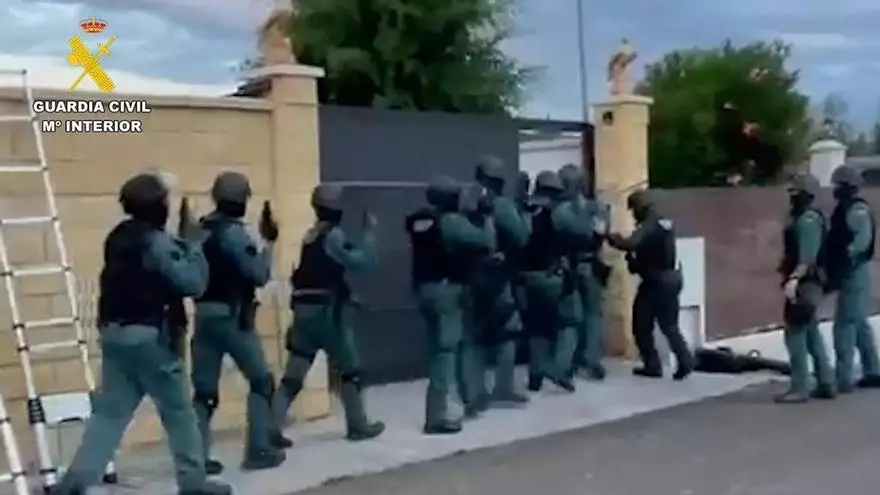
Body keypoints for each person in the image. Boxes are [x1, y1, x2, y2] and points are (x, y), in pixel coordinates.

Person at [52, 173, 230, 494]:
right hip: (152, 340)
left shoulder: (118, 237)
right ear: (158, 205)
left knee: (109, 417)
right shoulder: (157, 243)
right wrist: (193, 245)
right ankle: (194, 483)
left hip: (115, 335)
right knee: (179, 414)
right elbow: (193, 283)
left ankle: (73, 485)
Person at [191, 172, 286, 474]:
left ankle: (197, 458)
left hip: (203, 316)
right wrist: (269, 243)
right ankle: (258, 450)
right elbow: (259, 275)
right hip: (232, 317)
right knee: (261, 381)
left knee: (204, 392)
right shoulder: (234, 234)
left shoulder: (200, 231)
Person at [273, 184, 385, 441]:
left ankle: (271, 426)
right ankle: (358, 424)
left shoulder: (310, 236)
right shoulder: (333, 236)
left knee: (294, 375)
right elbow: (363, 263)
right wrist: (369, 234)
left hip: (304, 314)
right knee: (350, 371)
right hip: (329, 315)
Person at [406, 176, 495, 434]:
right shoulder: (452, 222)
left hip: (424, 290)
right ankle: (439, 416)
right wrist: (486, 216)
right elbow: (485, 242)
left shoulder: (421, 221)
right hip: (447, 291)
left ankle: (444, 407)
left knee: (437, 351)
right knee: (447, 352)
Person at [606, 190, 694, 380]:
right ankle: (685, 360)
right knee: (669, 325)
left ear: (640, 208)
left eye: (633, 210)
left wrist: (610, 237)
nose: (633, 214)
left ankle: (652, 365)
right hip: (672, 279)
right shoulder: (664, 223)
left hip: (656, 283)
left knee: (641, 326)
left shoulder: (649, 225)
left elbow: (631, 243)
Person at [467, 156, 532, 408]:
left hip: (472, 276)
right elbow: (521, 236)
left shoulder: (465, 199)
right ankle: (502, 388)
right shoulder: (502, 205)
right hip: (498, 278)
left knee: (476, 335)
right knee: (508, 331)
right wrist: (522, 209)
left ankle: (475, 391)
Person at [774, 173, 836, 402]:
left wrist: (794, 279)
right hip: (811, 282)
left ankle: (799, 387)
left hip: (806, 283)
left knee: (795, 333)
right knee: (810, 331)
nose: (791, 196)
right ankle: (825, 380)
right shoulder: (808, 217)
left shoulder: (806, 220)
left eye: (795, 192)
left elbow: (807, 256)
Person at [520, 171, 581, 393]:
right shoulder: (558, 212)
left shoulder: (523, 209)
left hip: (527, 277)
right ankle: (559, 369)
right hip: (551, 275)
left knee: (537, 328)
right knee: (570, 321)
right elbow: (580, 235)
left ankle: (535, 376)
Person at [824, 165, 880, 392]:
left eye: (839, 185)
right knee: (859, 323)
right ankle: (872, 370)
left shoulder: (856, 210)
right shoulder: (847, 208)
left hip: (853, 271)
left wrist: (842, 258)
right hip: (853, 271)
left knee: (844, 326)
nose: (835, 189)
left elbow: (861, 242)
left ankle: (844, 377)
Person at [558, 164, 609, 381]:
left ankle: (575, 360)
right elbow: (599, 234)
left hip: (571, 267)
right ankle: (590, 359)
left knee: (574, 317)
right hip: (588, 265)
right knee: (591, 315)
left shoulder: (561, 211)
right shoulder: (599, 209)